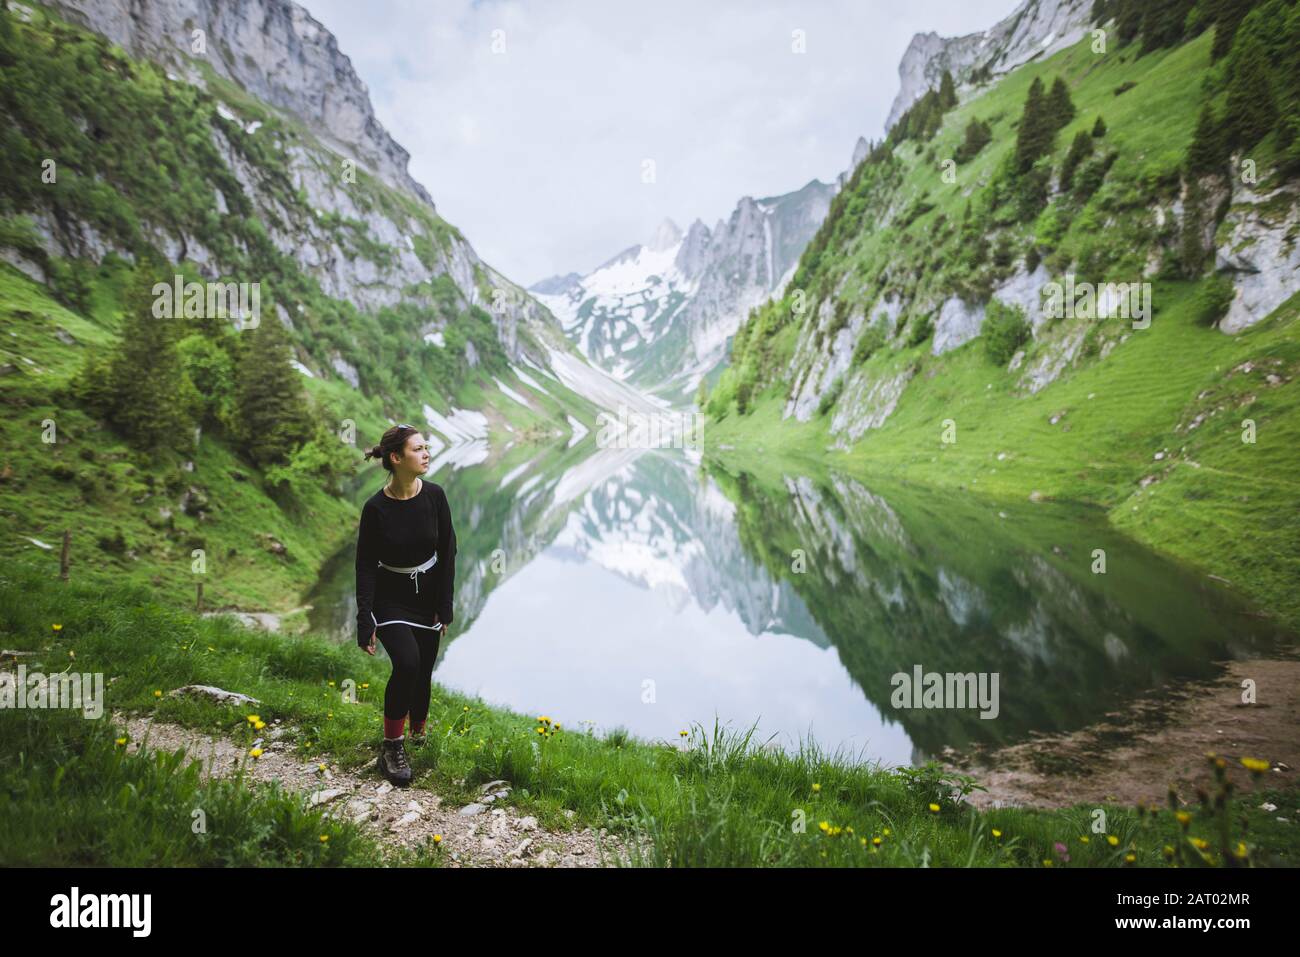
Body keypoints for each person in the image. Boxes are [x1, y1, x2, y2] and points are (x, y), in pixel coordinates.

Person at [355, 424, 457, 786]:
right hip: (390, 598)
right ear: (396, 458)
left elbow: (447, 551)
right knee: (408, 663)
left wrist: (444, 606)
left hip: (427, 595)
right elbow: (365, 564)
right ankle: (392, 747)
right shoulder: (375, 509)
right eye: (418, 449)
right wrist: (364, 619)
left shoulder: (435, 496)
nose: (426, 453)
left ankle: (418, 732)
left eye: (426, 447)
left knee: (424, 668)